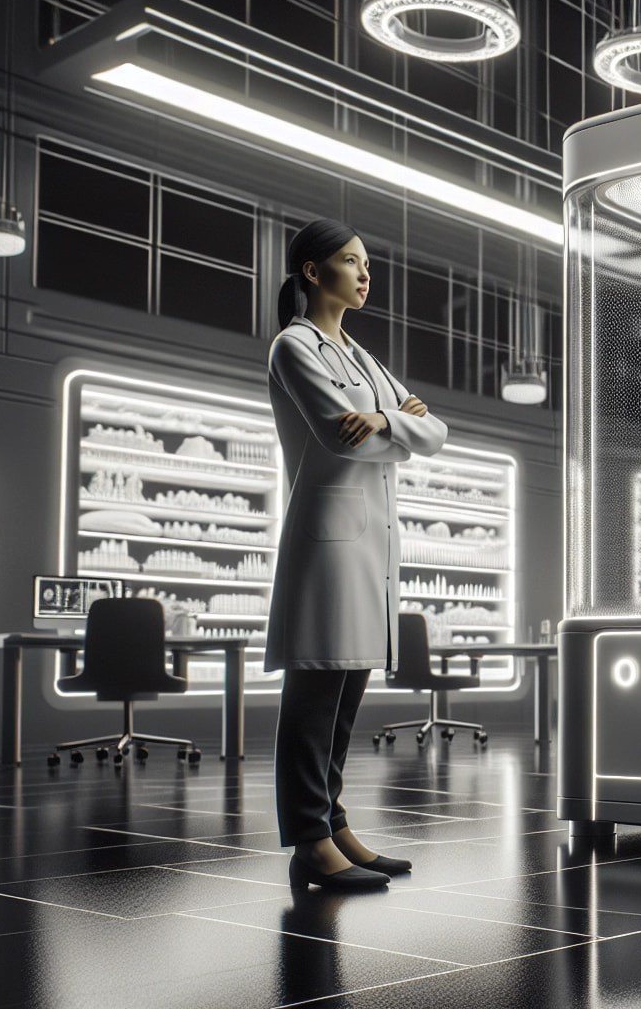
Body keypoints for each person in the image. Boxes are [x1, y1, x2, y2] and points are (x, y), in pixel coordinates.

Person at [267, 218, 448, 890]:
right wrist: (397, 424)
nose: (365, 274)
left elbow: (439, 429)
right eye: (351, 261)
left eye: (367, 263)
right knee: (314, 697)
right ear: (313, 273)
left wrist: (385, 420)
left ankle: (334, 823)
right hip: (328, 543)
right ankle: (309, 841)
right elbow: (343, 440)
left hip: (370, 544)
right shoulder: (296, 347)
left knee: (345, 697)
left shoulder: (362, 357)